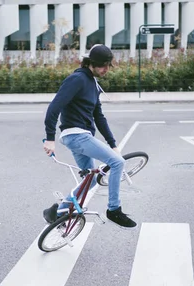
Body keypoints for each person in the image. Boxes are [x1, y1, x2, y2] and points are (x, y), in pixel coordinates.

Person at [42, 44, 136, 229]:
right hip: (76, 135)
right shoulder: (77, 79)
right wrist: (50, 138)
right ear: (91, 63)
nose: (106, 69)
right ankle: (114, 210)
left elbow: (98, 116)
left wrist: (112, 144)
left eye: (108, 66)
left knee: (91, 180)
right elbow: (54, 107)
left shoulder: (93, 83)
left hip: (80, 137)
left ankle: (57, 211)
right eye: (102, 65)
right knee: (118, 163)